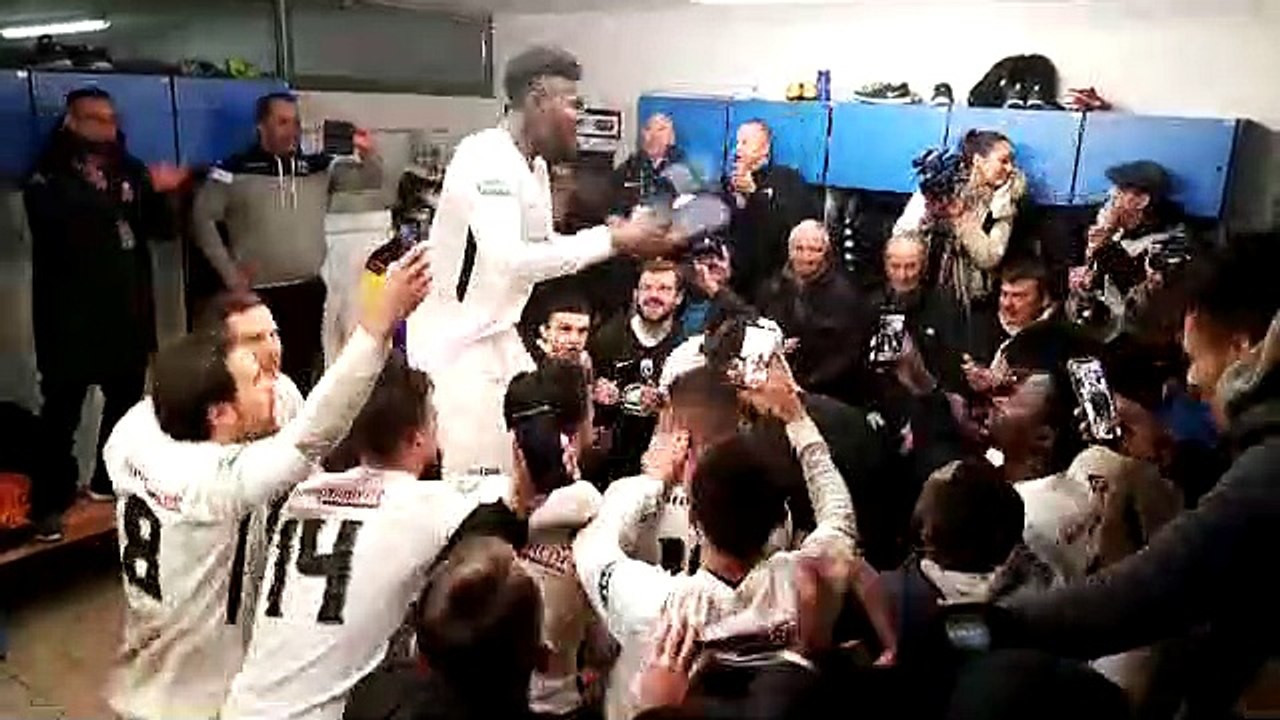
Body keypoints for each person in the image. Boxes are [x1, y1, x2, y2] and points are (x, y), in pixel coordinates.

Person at [100, 248, 431, 720]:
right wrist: (374, 331)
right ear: (218, 406)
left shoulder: (134, 431)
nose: (270, 361)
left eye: (272, 335)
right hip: (189, 692)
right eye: (251, 355)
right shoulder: (207, 481)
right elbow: (308, 440)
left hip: (207, 654)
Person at [985, 234, 1280, 717]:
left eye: (1195, 357)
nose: (1190, 379)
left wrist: (978, 628)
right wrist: (1170, 454)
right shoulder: (1259, 456)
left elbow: (1147, 594)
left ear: (1242, 349)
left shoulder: (1271, 469)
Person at [222, 352, 547, 720]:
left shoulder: (303, 494)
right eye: (434, 417)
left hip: (243, 706)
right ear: (417, 437)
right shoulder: (425, 507)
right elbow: (510, 513)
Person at [405, 45, 679, 478]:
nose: (580, 117)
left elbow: (546, 246)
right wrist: (612, 239)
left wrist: (621, 238)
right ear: (537, 99)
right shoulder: (485, 157)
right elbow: (511, 261)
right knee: (481, 481)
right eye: (573, 104)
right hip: (459, 346)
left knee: (540, 452)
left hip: (499, 337)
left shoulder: (532, 166)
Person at [575, 355, 861, 720]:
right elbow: (838, 518)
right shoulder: (805, 583)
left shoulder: (665, 609)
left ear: (695, 516)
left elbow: (591, 550)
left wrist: (651, 482)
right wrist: (797, 419)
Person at [24, 87, 189, 540]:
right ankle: (48, 506)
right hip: (69, 316)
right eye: (94, 119)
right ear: (71, 122)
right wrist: (115, 199)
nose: (105, 129)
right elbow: (63, 227)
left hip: (127, 310)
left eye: (110, 120)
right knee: (61, 411)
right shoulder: (48, 176)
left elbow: (160, 230)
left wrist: (162, 195)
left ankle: (105, 481)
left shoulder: (130, 169)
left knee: (126, 401)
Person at [193, 92, 384, 391]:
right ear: (262, 127)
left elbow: (368, 179)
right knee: (260, 373)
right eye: (282, 122)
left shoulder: (317, 167)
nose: (292, 131)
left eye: (295, 123)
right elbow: (201, 218)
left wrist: (368, 153)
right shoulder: (233, 170)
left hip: (308, 288)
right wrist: (230, 276)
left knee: (306, 369)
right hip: (258, 295)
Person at [756, 219, 871, 402]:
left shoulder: (845, 295)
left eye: (814, 250)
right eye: (799, 249)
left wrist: (804, 386)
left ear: (826, 253)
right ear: (789, 251)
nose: (806, 257)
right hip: (775, 384)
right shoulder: (771, 288)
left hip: (825, 393)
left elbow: (849, 354)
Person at [590, 260, 684, 479]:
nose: (654, 295)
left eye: (664, 289)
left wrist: (667, 404)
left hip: (662, 466)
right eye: (647, 288)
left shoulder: (687, 347)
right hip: (609, 466)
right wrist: (593, 393)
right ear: (635, 294)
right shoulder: (607, 339)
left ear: (678, 297)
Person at [724, 120, 819, 297]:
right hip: (736, 279)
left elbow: (788, 229)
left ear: (765, 148)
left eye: (745, 143)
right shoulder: (728, 183)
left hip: (772, 283)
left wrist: (755, 195)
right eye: (737, 143)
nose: (738, 149)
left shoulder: (786, 179)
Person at [614, 113, 688, 213]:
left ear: (671, 138)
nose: (653, 135)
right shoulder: (632, 164)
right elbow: (612, 195)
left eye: (661, 129)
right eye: (648, 129)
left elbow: (685, 203)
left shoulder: (681, 166)